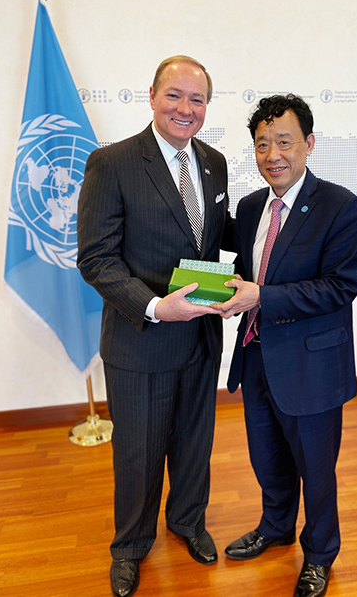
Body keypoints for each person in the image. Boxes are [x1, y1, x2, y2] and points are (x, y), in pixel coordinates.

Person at [77, 55, 234, 597]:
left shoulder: (213, 162)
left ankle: (188, 521)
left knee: (195, 441)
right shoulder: (112, 163)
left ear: (206, 107)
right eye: (175, 96)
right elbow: (96, 259)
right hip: (140, 339)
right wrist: (153, 306)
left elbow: (213, 243)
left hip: (201, 337)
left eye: (196, 99)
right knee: (139, 453)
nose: (185, 109)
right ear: (152, 95)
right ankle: (130, 547)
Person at [213, 94, 357, 597]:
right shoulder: (252, 206)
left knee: (316, 469)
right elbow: (251, 273)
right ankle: (275, 528)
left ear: (308, 144)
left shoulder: (340, 205)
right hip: (257, 354)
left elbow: (341, 286)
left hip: (311, 364)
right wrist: (213, 286)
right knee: (266, 458)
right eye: (262, 144)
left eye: (284, 141)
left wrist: (261, 295)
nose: (272, 153)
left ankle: (320, 554)